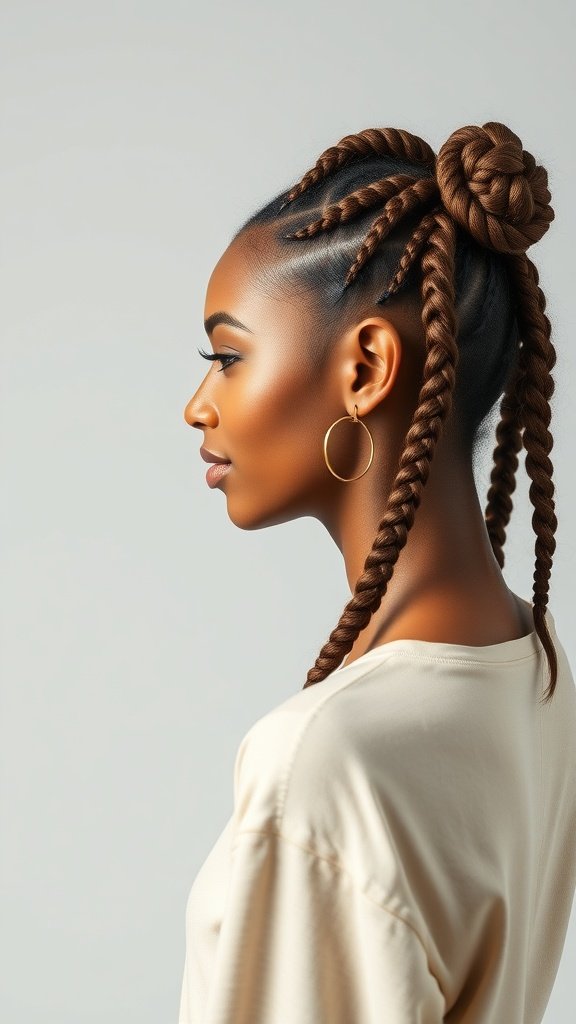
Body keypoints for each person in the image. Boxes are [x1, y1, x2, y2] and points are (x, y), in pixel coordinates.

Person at [179, 121, 576, 1022]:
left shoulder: (327, 760)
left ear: (365, 369)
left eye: (227, 358)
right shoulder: (534, 666)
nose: (197, 406)